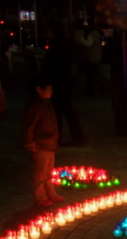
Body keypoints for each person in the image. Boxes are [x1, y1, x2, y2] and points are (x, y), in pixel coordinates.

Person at [22, 75, 63, 207]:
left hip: (50, 143)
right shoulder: (35, 106)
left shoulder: (46, 103)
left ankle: (51, 193)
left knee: (49, 171)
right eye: (49, 88)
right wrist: (30, 142)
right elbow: (29, 125)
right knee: (41, 172)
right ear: (39, 89)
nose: (51, 91)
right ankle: (40, 196)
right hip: (40, 144)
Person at [42, 20, 85, 146]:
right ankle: (70, 138)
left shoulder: (56, 45)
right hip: (63, 82)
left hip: (58, 82)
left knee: (61, 112)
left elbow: (53, 65)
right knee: (65, 112)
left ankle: (60, 138)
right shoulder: (63, 44)